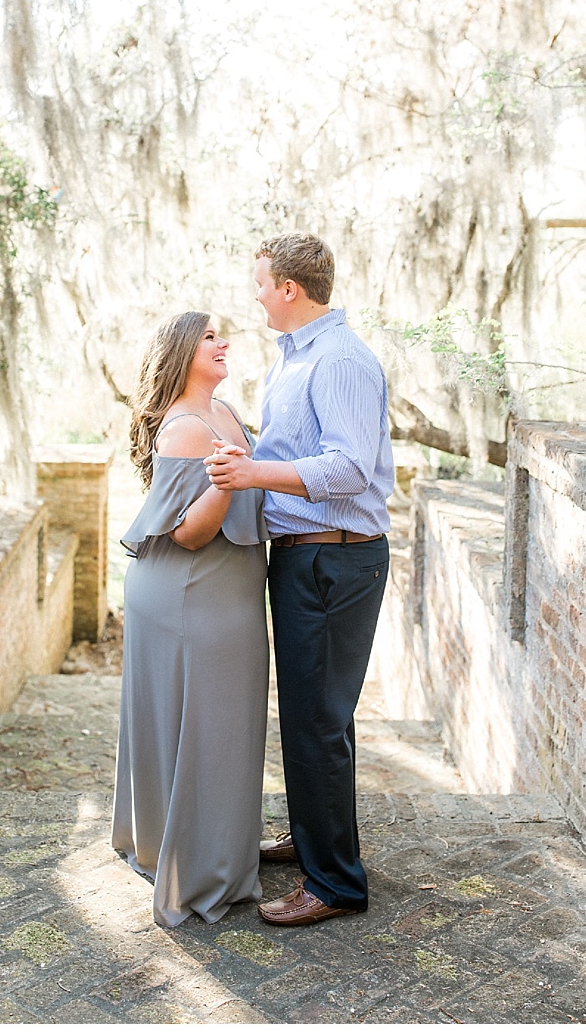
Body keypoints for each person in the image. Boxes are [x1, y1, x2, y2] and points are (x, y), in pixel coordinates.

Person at [205, 233, 395, 927]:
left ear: (289, 288)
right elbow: (296, 454)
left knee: (319, 721)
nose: (254, 294)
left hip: (333, 558)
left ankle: (336, 885)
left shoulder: (340, 362)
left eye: (261, 282)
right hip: (305, 555)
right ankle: (313, 840)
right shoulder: (297, 360)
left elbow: (348, 468)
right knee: (306, 716)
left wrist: (253, 473)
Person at [112, 312, 270, 926]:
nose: (222, 342)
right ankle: (195, 867)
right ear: (182, 351)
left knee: (228, 725)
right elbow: (189, 533)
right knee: (203, 725)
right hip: (187, 595)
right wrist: (228, 485)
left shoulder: (225, 411)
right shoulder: (182, 430)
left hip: (229, 597)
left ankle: (216, 848)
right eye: (209, 337)